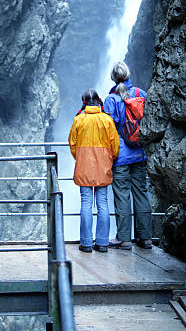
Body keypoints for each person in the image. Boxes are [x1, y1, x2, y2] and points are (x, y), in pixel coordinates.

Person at [103, 61, 152, 250]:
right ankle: (145, 237)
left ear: (113, 78)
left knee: (122, 196)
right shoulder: (141, 94)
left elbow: (109, 130)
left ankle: (124, 239)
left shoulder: (111, 99)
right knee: (141, 193)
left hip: (120, 156)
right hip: (140, 153)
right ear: (129, 74)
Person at [68, 89, 120, 253]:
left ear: (84, 102)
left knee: (86, 203)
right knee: (103, 203)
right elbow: (115, 146)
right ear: (99, 101)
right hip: (103, 167)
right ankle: (103, 243)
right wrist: (108, 159)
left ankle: (86, 243)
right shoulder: (107, 120)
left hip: (84, 167)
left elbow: (72, 144)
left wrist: (81, 158)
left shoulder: (79, 120)